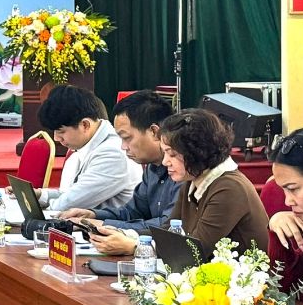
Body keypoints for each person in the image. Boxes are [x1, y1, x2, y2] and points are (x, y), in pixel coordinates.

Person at [93, 109, 268, 256]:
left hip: (242, 283)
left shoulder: (229, 188)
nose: (165, 162)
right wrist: (123, 234)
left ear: (196, 152)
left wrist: (134, 246)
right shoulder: (192, 181)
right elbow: (167, 231)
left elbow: (196, 249)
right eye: (165, 153)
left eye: (172, 154)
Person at [62, 90, 179, 240]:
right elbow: (132, 212)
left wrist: (104, 224)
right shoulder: (152, 168)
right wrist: (93, 215)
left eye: (127, 138)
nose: (123, 147)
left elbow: (168, 226)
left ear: (154, 132)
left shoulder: (182, 169)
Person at [35, 85, 141, 215]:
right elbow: (71, 194)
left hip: (110, 226)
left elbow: (67, 205)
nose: (56, 138)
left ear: (85, 125)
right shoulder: (88, 145)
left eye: (61, 131)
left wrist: (37, 208)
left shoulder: (113, 153)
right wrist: (39, 195)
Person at [264, 129, 303, 295]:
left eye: (293, 189)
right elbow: (281, 295)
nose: (287, 201)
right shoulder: (302, 225)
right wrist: (277, 231)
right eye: (283, 190)